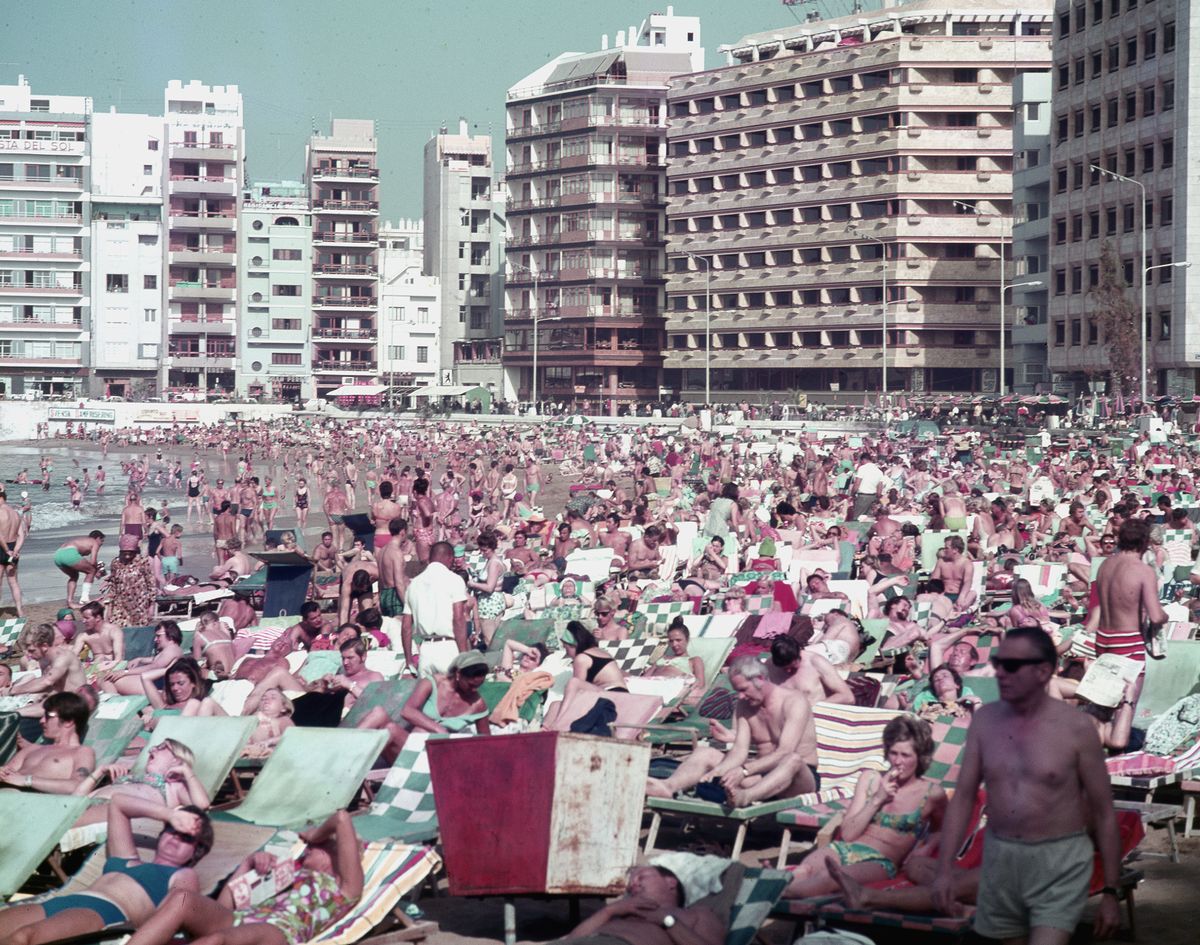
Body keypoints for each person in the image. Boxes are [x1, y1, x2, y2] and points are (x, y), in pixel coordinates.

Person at [932, 627, 1122, 943]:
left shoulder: (1076, 728)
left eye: (1012, 665)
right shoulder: (985, 721)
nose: (1001, 673)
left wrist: (1112, 892)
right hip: (1002, 856)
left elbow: (1104, 812)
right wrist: (943, 871)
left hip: (1058, 859)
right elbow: (963, 798)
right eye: (1000, 662)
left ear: (1043, 671)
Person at [124, 809, 359, 945]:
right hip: (238, 919)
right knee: (182, 898)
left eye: (316, 847)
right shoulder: (289, 875)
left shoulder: (343, 890)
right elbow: (223, 906)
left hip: (277, 933)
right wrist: (247, 865)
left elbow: (341, 818)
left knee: (216, 941)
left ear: (335, 854)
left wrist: (315, 834)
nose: (306, 848)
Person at [0, 794, 211, 944]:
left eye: (187, 838)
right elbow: (118, 803)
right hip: (63, 901)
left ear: (196, 852)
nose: (176, 838)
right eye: (173, 830)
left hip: (102, 912)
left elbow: (180, 906)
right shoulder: (124, 858)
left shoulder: (183, 874)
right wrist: (170, 814)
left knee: (23, 938)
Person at [784, 715, 947, 897]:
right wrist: (877, 799)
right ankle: (775, 891)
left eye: (905, 755)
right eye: (893, 753)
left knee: (829, 878)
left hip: (881, 862)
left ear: (920, 758)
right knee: (804, 870)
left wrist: (928, 847)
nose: (898, 761)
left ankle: (774, 893)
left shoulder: (932, 794)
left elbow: (943, 830)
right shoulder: (870, 779)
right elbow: (847, 834)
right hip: (845, 848)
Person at [646, 656, 817, 806]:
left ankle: (745, 797)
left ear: (760, 678)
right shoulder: (745, 705)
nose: (740, 696)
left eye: (743, 689)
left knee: (792, 759)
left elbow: (784, 752)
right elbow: (739, 751)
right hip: (759, 777)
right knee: (705, 752)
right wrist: (716, 772)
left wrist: (744, 771)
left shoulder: (794, 701)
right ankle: (668, 786)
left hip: (796, 779)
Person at [356, 651, 491, 762]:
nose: (474, 690)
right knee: (379, 713)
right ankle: (346, 750)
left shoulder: (477, 704)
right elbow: (407, 711)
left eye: (478, 686)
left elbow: (487, 743)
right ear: (458, 674)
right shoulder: (434, 683)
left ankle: (350, 760)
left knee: (392, 729)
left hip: (439, 757)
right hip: (410, 748)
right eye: (471, 685)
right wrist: (439, 730)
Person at [552, 863, 725, 945]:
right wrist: (610, 911)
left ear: (670, 882)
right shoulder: (620, 911)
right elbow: (573, 939)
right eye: (631, 883)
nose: (633, 884)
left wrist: (667, 922)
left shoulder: (697, 914)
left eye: (641, 877)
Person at [73, 739, 211, 828]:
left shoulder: (174, 785)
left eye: (162, 747)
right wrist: (99, 771)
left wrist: (187, 772)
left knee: (62, 823)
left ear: (176, 760)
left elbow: (202, 806)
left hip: (113, 810)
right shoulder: (131, 777)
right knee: (62, 816)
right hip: (82, 807)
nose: (152, 749)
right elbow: (72, 799)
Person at [1093, 518, 1169, 666]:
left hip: (1102, 638)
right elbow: (1156, 616)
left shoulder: (1105, 565)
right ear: (1145, 541)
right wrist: (1166, 616)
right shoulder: (1143, 570)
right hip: (1127, 640)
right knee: (1130, 689)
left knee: (1106, 688)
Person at [0, 691, 94, 793]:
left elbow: (79, 786)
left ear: (69, 721)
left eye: (48, 716)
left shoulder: (82, 752)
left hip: (32, 802)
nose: (42, 721)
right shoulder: (31, 749)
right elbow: (7, 772)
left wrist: (27, 780)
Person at [402, 541, 469, 672]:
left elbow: (406, 627)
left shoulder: (413, 584)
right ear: (450, 558)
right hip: (449, 648)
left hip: (425, 651)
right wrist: (463, 655)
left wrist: (409, 660)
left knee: (430, 692)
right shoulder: (454, 579)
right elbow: (458, 619)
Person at [99, 621, 186, 696]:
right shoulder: (172, 650)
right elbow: (155, 660)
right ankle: (116, 703)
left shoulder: (172, 649)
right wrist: (139, 659)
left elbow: (155, 666)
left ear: (170, 636)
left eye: (158, 636)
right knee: (106, 679)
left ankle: (115, 706)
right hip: (154, 683)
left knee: (107, 680)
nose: (155, 639)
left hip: (155, 687)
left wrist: (125, 672)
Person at [6, 622, 87, 697]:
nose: (29, 655)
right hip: (57, 700)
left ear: (44, 646)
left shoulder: (63, 657)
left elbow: (47, 681)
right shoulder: (44, 659)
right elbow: (49, 687)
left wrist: (13, 690)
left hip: (74, 702)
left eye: (32, 650)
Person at [142, 657, 226, 718]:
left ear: (193, 683)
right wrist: (168, 669)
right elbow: (145, 677)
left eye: (180, 683)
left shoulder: (197, 707)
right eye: (172, 684)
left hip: (175, 739)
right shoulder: (162, 706)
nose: (174, 688)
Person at [105, 535, 158, 628]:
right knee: (120, 630)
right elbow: (113, 585)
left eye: (130, 553)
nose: (127, 555)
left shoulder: (142, 562)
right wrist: (109, 607)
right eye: (124, 553)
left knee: (138, 631)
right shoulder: (116, 563)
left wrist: (152, 606)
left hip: (139, 604)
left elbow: (151, 583)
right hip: (120, 604)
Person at [54, 530, 106, 607]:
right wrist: (97, 571)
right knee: (91, 571)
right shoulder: (94, 543)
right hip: (69, 554)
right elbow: (93, 561)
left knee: (74, 576)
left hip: (57, 555)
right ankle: (84, 599)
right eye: (102, 541)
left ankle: (70, 602)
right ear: (98, 538)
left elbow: (84, 562)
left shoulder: (82, 540)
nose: (102, 543)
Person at [0, 484, 26, 616]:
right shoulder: (15, 513)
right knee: (13, 581)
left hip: (2, 548)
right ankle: (20, 611)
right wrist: (14, 550)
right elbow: (21, 535)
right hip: (12, 547)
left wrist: (6, 550)